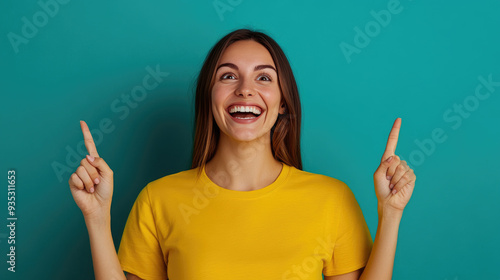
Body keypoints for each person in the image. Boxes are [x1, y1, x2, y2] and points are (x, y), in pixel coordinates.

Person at [69, 28, 416, 280]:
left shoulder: (332, 199)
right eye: (228, 76)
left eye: (264, 78)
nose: (245, 89)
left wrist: (391, 214)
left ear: (283, 104)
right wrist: (97, 220)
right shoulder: (157, 200)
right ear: (210, 98)